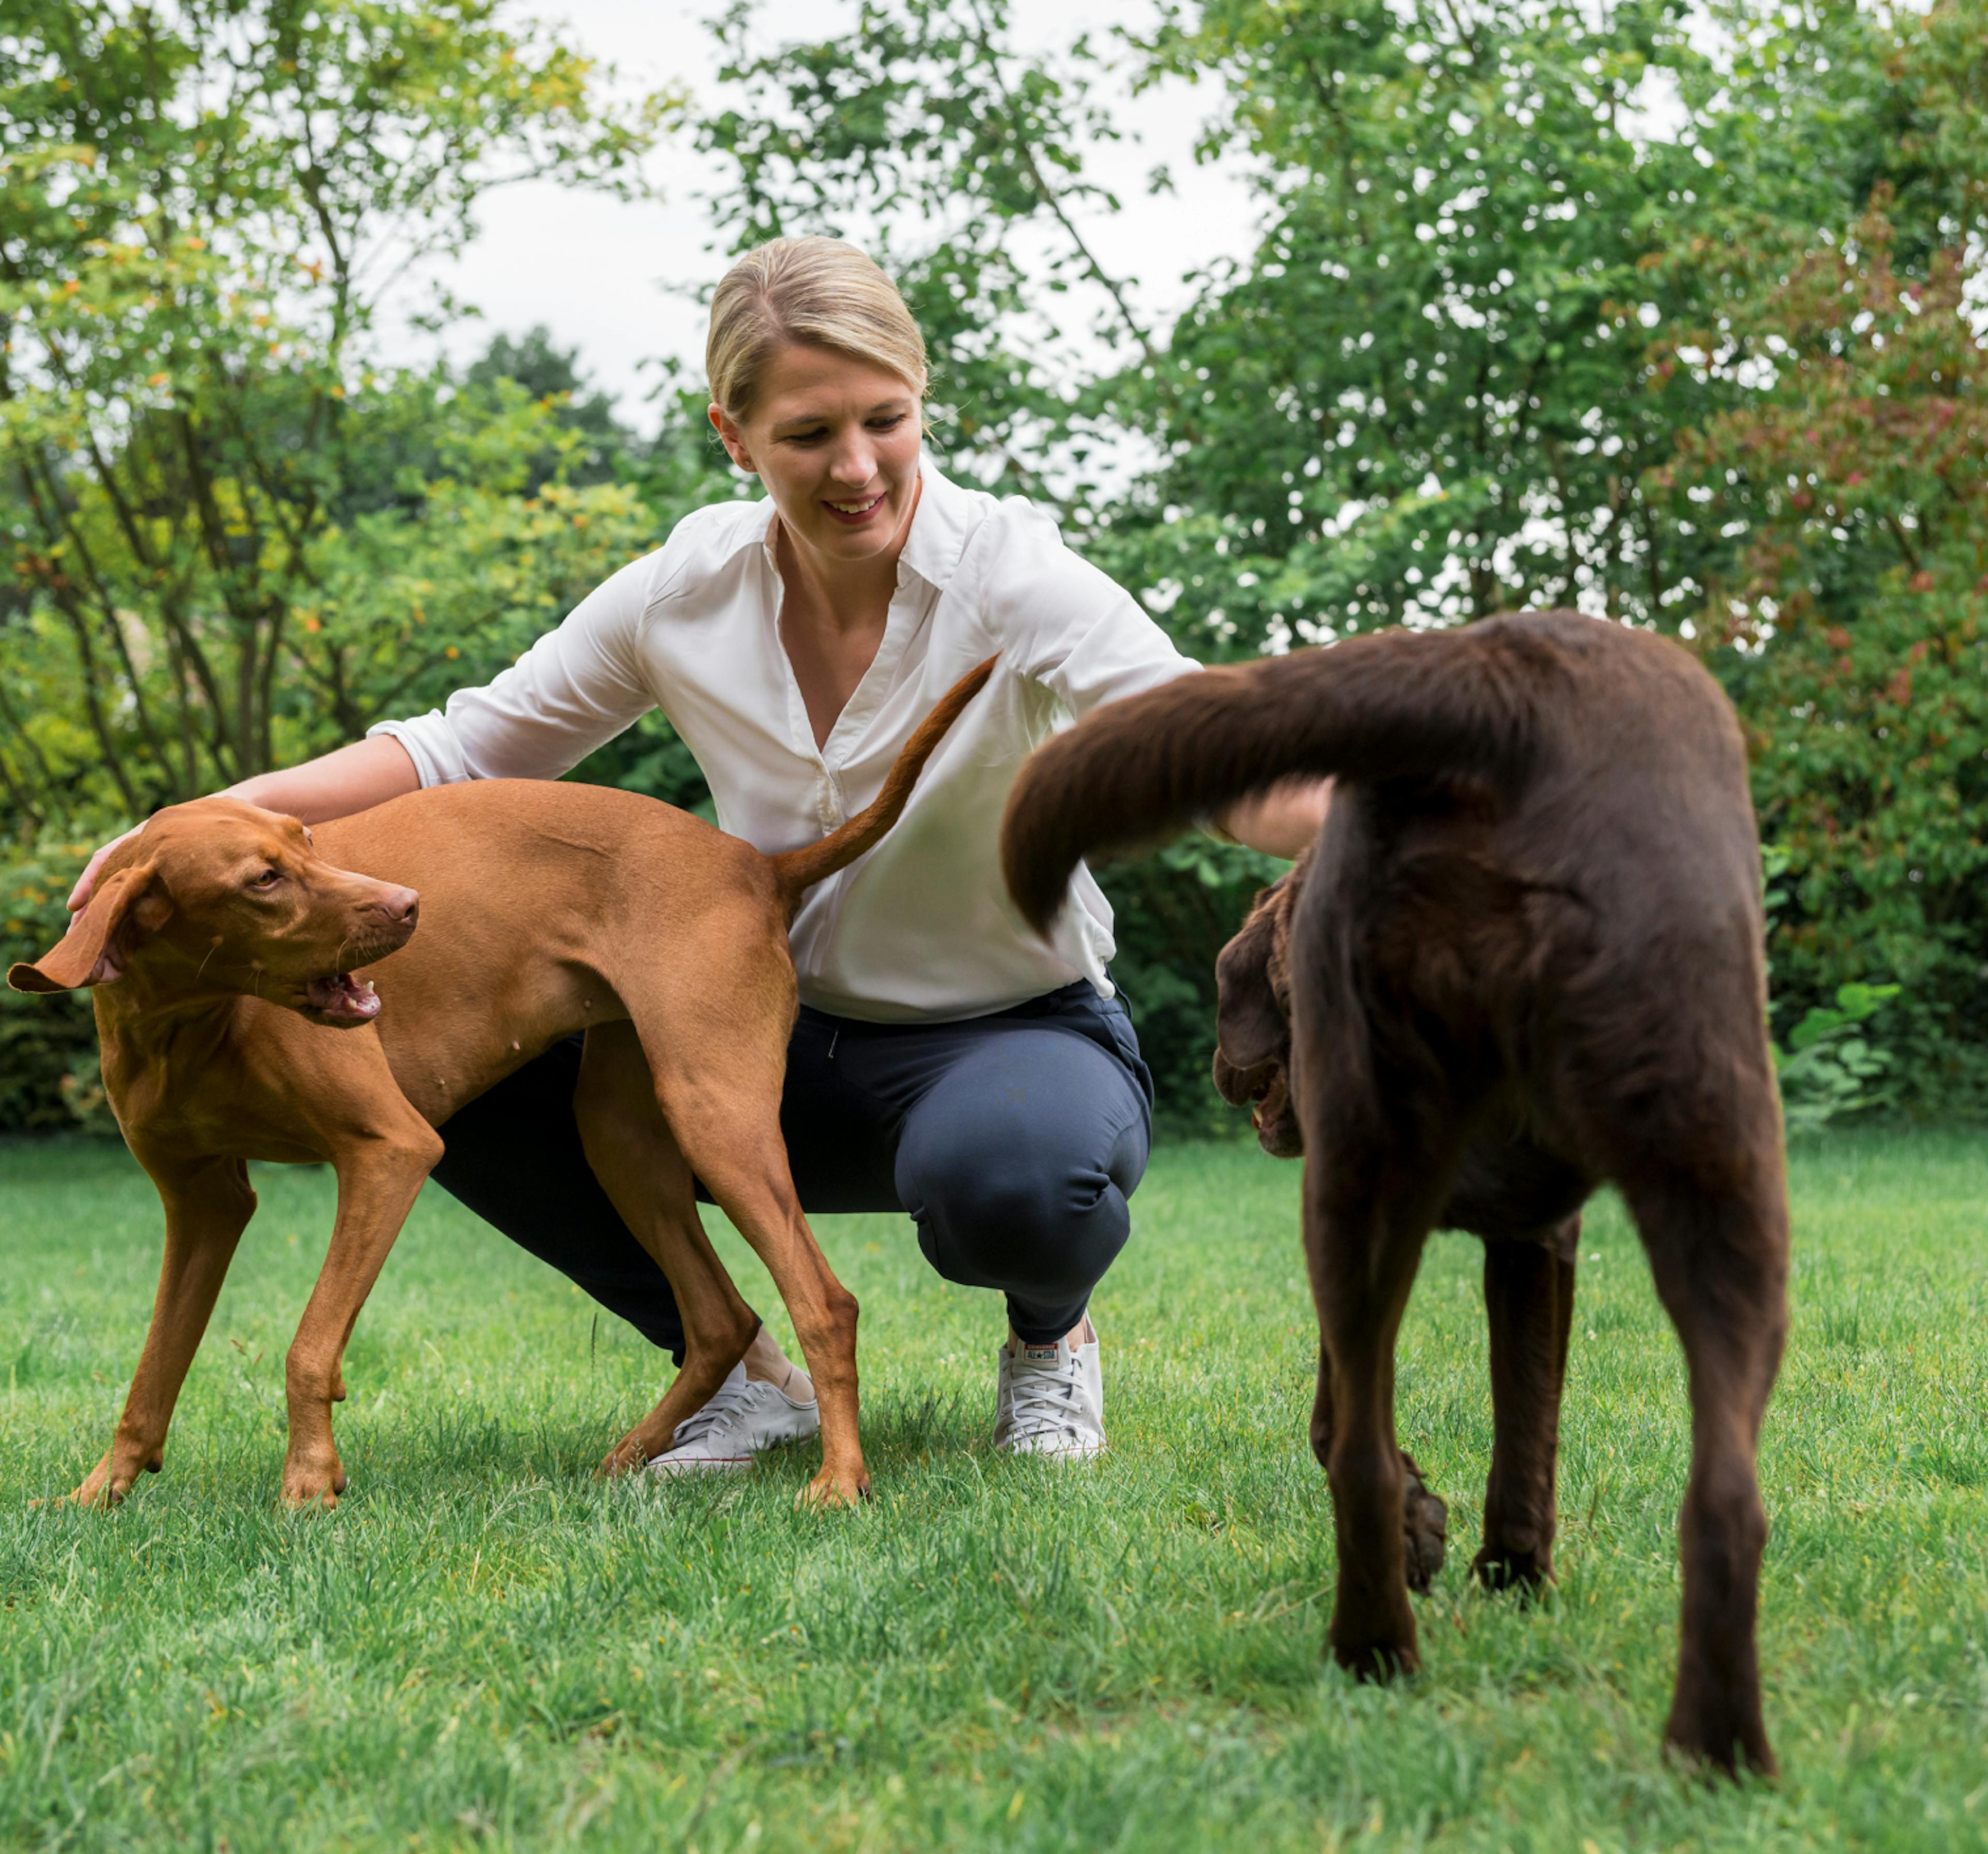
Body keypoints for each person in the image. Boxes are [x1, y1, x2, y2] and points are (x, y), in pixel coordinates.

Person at [69, 237, 1327, 1468]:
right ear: (732, 436)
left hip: (1011, 1034)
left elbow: (1209, 749)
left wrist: (1375, 822)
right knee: (434, 1074)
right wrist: (186, 822)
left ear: (922, 401)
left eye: (887, 420)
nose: (858, 468)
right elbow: (462, 745)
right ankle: (742, 1371)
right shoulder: (685, 591)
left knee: (1015, 1179)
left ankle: (1050, 1345)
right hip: (759, 1029)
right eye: (807, 435)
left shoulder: (1015, 575)